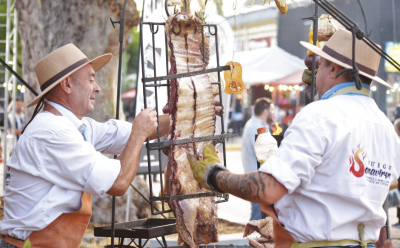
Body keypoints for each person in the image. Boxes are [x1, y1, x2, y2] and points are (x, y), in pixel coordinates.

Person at [188, 28, 400, 248]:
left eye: (320, 66)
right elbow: (379, 195)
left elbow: (268, 189)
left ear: (334, 69)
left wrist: (215, 176)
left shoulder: (320, 115)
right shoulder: (387, 128)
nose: (315, 75)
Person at [0, 44, 167, 248]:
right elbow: (119, 182)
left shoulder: (76, 127)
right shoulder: (53, 132)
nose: (97, 87)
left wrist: (188, 114)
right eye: (90, 78)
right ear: (68, 85)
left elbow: (130, 132)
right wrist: (140, 133)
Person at [241, 97, 274, 220]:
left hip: (256, 177)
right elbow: (265, 154)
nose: (274, 113)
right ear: (266, 111)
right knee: (258, 218)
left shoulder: (256, 124)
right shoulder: (256, 127)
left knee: (260, 215)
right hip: (257, 180)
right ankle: (251, 239)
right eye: (272, 110)